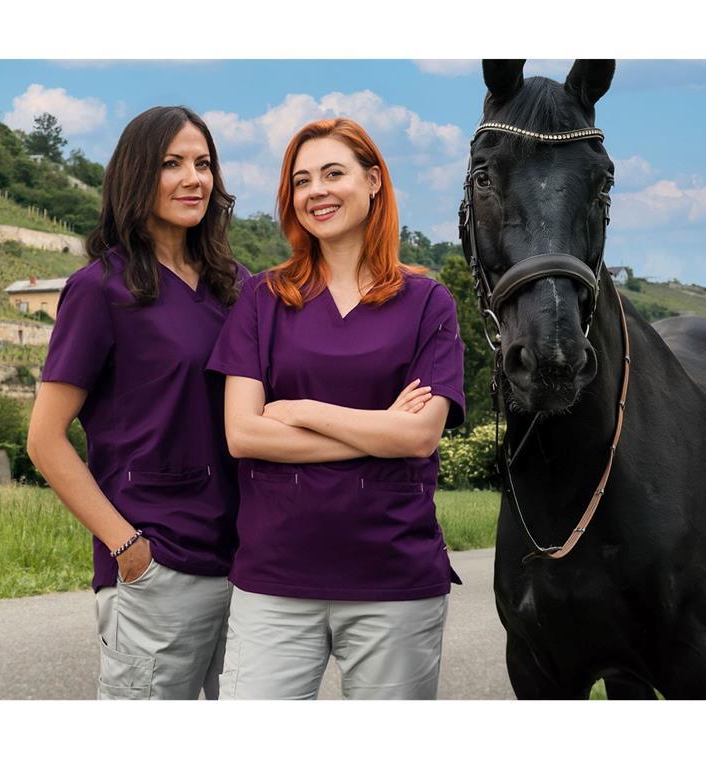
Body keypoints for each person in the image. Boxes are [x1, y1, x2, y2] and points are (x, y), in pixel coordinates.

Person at [206, 117, 466, 699]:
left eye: (333, 173)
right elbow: (244, 434)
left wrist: (296, 407)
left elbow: (420, 437)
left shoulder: (428, 303)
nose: (316, 191)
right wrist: (378, 430)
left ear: (374, 181)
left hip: (393, 582)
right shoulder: (262, 298)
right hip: (275, 580)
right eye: (301, 181)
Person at [26, 106, 246, 700]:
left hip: (249, 566)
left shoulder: (237, 286)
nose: (193, 178)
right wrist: (128, 549)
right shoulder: (99, 290)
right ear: (136, 175)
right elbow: (44, 440)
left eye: (203, 164)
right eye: (171, 164)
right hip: (159, 568)